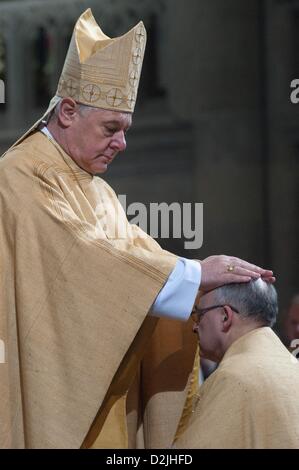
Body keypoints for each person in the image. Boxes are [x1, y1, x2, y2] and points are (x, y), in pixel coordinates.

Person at [0, 9, 274, 449]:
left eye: (126, 130)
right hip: (50, 403)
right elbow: (86, 261)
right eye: (112, 128)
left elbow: (138, 260)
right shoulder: (21, 175)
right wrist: (197, 274)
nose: (122, 143)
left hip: (107, 405)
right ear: (68, 111)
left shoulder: (99, 192)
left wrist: (200, 282)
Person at [174, 279, 299, 449]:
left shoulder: (232, 376)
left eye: (199, 314)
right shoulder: (291, 364)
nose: (195, 326)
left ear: (225, 316)